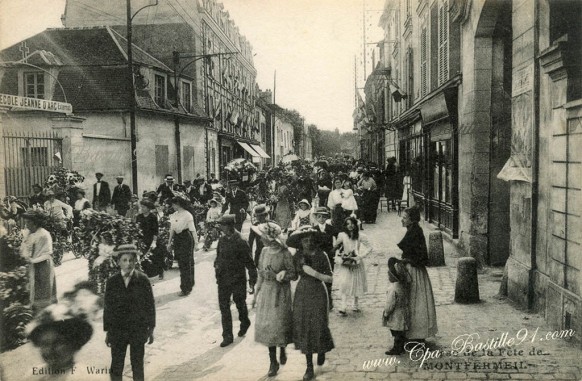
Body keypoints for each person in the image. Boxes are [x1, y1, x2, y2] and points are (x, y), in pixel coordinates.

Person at [287, 227, 334, 381]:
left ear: (314, 240)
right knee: (305, 325)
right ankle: (309, 366)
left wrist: (314, 273)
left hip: (319, 291)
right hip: (302, 293)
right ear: (300, 242)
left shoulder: (322, 255)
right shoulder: (298, 255)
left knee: (319, 324)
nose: (307, 242)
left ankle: (321, 349)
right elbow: (293, 276)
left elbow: (330, 278)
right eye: (304, 240)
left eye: (310, 239)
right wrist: (282, 273)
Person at [26, 283, 101, 381]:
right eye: (44, 344)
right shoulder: (33, 377)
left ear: (74, 344)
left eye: (58, 342)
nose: (50, 350)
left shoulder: (89, 378)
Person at [104, 244, 155, 381]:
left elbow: (150, 305)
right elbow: (108, 308)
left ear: (136, 261)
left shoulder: (143, 280)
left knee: (137, 365)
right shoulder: (112, 282)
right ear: (118, 262)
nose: (128, 263)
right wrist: (108, 331)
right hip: (118, 331)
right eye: (124, 260)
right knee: (116, 365)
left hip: (137, 330)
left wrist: (151, 328)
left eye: (131, 260)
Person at [251, 222, 295, 377]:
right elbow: (261, 274)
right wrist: (256, 295)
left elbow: (293, 274)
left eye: (263, 236)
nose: (261, 238)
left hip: (281, 292)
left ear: (270, 237)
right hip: (267, 292)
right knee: (269, 326)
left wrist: (283, 274)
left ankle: (282, 348)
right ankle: (272, 362)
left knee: (279, 324)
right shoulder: (263, 251)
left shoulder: (285, 253)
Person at [214, 214, 257, 347]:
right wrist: (217, 267)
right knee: (224, 307)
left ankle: (245, 322)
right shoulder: (222, 240)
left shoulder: (241, 241)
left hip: (237, 279)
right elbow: (218, 256)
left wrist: (252, 282)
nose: (219, 227)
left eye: (221, 225)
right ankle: (227, 336)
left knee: (240, 303)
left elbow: (250, 263)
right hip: (223, 279)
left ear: (229, 226)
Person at [398, 206, 438, 344]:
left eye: (404, 218)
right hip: (413, 269)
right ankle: (414, 332)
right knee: (415, 301)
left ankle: (416, 333)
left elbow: (419, 255)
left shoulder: (414, 231)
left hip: (414, 270)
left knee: (416, 301)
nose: (402, 220)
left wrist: (406, 261)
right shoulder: (413, 230)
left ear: (411, 219)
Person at [20, 210, 57, 313]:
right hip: (30, 265)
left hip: (42, 265)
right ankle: (32, 310)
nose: (26, 225)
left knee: (42, 288)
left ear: (35, 223)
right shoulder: (28, 233)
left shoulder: (44, 234)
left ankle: (44, 312)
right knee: (30, 289)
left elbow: (47, 253)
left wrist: (33, 260)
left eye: (28, 222)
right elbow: (24, 247)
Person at [333, 216, 369, 316]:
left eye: (352, 223)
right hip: (345, 262)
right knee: (344, 283)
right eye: (348, 224)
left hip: (356, 262)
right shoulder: (342, 235)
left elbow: (370, 247)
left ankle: (355, 303)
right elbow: (336, 247)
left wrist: (360, 256)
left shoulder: (360, 236)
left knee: (356, 282)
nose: (350, 226)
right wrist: (339, 255)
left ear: (355, 224)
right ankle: (343, 306)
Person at [167, 196, 197, 296]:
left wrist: (196, 243)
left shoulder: (187, 214)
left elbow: (193, 230)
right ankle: (187, 284)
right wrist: (169, 242)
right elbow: (172, 229)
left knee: (187, 263)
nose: (172, 206)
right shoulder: (174, 215)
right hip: (177, 239)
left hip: (186, 238)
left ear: (178, 204)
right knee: (181, 263)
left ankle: (186, 288)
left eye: (173, 204)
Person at [383, 257, 411, 355]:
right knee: (401, 331)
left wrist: (386, 313)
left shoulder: (393, 289)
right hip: (404, 312)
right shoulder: (403, 286)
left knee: (396, 332)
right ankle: (401, 346)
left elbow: (390, 304)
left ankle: (397, 348)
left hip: (396, 315)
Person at [312, 207, 338, 310]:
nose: (321, 219)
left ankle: (329, 300)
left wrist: (335, 248)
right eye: (319, 216)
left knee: (328, 276)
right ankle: (319, 300)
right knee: (318, 276)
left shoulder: (330, 228)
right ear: (316, 218)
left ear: (326, 218)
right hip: (318, 256)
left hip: (329, 256)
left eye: (323, 217)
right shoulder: (313, 229)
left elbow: (340, 237)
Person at [136, 200, 162, 279]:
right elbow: (136, 228)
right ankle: (145, 275)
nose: (142, 208)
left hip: (151, 238)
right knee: (143, 257)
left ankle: (160, 271)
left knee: (155, 255)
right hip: (142, 239)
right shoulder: (139, 217)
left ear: (148, 208)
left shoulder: (153, 217)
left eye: (144, 207)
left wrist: (154, 241)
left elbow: (155, 231)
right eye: (141, 207)